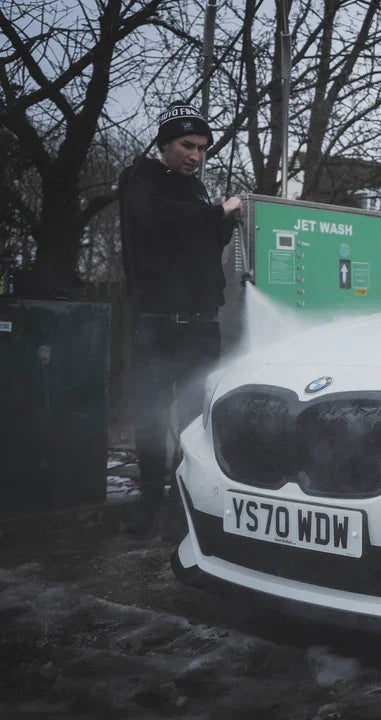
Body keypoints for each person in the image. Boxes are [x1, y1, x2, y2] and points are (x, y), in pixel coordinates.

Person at [118, 101, 242, 535]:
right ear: (165, 144)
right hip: (157, 322)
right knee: (152, 415)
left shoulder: (197, 190)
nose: (195, 155)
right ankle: (148, 499)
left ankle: (181, 499)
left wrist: (226, 221)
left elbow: (204, 243)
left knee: (194, 420)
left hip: (201, 324)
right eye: (187, 145)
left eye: (202, 148)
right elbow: (158, 219)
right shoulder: (140, 178)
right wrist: (213, 214)